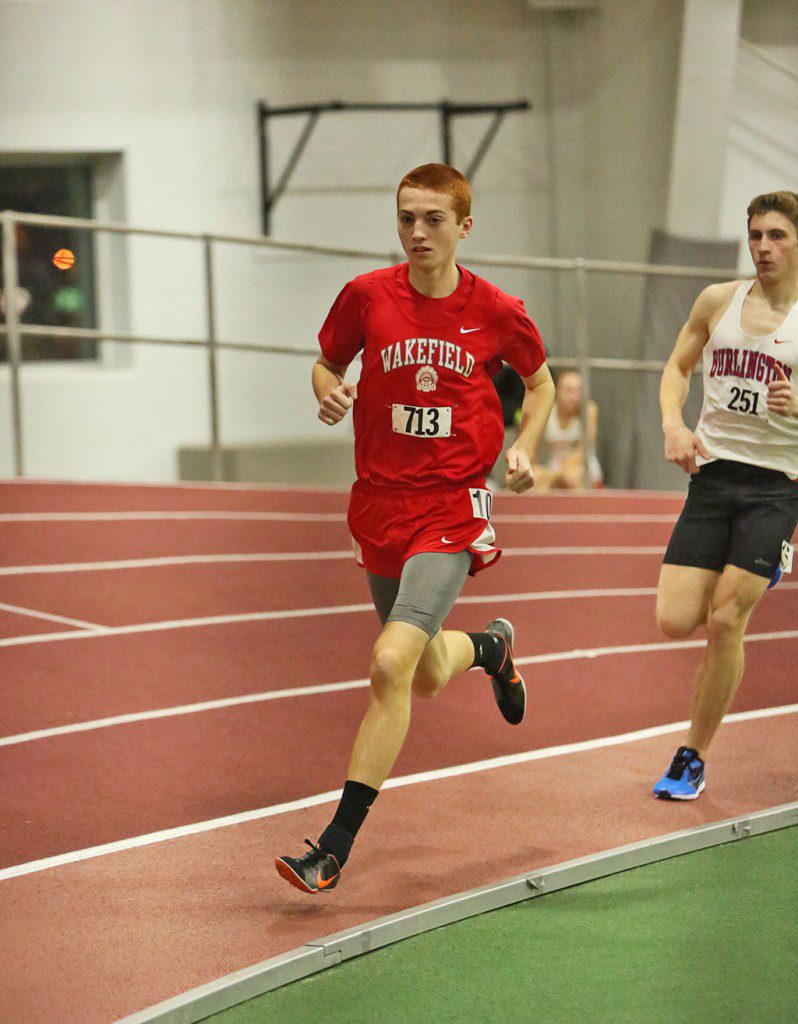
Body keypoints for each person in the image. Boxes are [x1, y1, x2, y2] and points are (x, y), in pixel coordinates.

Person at [275, 163, 555, 892]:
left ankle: (332, 848)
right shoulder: (368, 295)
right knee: (424, 672)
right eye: (406, 218)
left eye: (433, 220)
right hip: (379, 504)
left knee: (389, 662)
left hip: (450, 505)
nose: (417, 233)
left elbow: (541, 380)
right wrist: (328, 392)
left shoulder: (495, 309)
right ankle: (492, 649)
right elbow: (325, 363)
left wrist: (525, 446)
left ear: (465, 226)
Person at [653, 190, 798, 800]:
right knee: (674, 619)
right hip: (712, 478)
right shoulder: (718, 301)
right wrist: (674, 424)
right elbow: (677, 368)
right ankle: (758, 563)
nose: (763, 247)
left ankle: (693, 755)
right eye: (756, 234)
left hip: (776, 487)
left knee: (724, 620)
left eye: (777, 235)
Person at [532, 370, 602, 490]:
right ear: (557, 391)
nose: (574, 397)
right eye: (569, 391)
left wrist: (562, 472)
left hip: (582, 465)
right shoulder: (547, 411)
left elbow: (584, 449)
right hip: (555, 465)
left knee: (571, 478)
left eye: (578, 391)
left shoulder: (589, 410)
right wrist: (531, 467)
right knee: (535, 479)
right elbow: (531, 445)